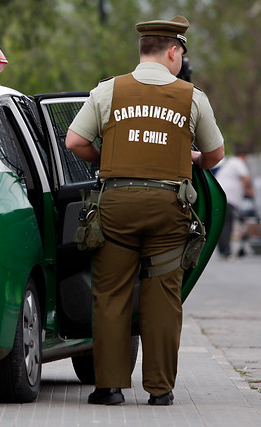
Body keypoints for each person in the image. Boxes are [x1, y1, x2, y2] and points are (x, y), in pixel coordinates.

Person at [65, 16, 224, 406]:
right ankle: (160, 390)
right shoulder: (192, 97)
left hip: (117, 206)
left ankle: (110, 387)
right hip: (170, 208)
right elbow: (215, 155)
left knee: (111, 294)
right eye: (180, 54)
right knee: (163, 297)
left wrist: (109, 158)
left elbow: (73, 140)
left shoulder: (108, 92)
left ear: (143, 50)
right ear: (173, 52)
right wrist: (186, 158)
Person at [215, 149, 254, 258]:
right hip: (228, 199)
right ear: (242, 156)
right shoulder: (237, 162)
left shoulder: (230, 163)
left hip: (221, 198)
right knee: (227, 224)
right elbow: (245, 178)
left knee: (222, 224)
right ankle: (227, 252)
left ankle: (223, 250)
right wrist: (250, 191)